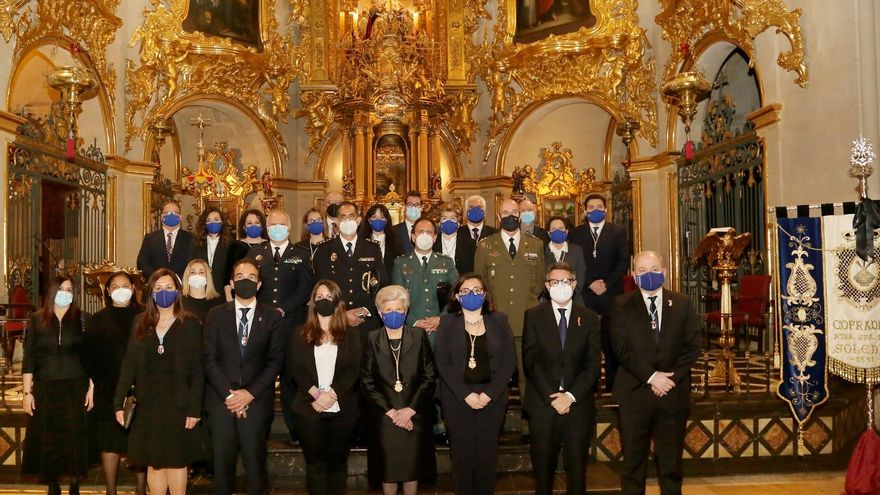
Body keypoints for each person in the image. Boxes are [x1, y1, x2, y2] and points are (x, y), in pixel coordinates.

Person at [610, 251, 701, 495]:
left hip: (672, 393)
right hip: (634, 393)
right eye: (641, 270)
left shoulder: (682, 303)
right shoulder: (621, 305)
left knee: (671, 465)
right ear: (633, 275)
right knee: (633, 464)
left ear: (664, 272)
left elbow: (693, 346)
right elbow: (620, 348)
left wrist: (669, 378)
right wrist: (651, 377)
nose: (648, 274)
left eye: (653, 268)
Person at [114, 268, 208, 495]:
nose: (163, 292)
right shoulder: (140, 322)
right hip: (148, 405)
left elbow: (197, 370)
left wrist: (194, 409)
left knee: (177, 463)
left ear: (177, 291)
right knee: (154, 464)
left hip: (179, 405)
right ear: (150, 293)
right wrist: (118, 402)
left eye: (168, 288)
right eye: (158, 288)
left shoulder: (191, 324)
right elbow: (129, 364)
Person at [203, 258, 285, 495]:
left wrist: (248, 394)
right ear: (231, 282)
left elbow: (275, 362)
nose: (245, 281)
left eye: (251, 277)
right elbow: (209, 359)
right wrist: (230, 396)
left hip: (256, 402)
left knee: (255, 465)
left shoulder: (272, 317)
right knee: (222, 466)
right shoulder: (215, 315)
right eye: (240, 277)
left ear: (259, 284)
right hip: (221, 402)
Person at [522, 262, 601, 495]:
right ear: (547, 286)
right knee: (543, 474)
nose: (560, 286)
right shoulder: (533, 316)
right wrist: (554, 397)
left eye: (565, 281)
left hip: (578, 405)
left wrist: (570, 396)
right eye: (554, 282)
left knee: (577, 474)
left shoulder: (589, 317)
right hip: (543, 405)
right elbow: (530, 361)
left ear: (574, 284)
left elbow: (592, 364)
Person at [434, 274, 516, 495]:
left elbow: (509, 360)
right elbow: (442, 362)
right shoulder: (447, 323)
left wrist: (489, 394)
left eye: (477, 290)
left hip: (492, 399)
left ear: (485, 294)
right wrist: (465, 395)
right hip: (457, 399)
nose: (472, 295)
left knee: (487, 458)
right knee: (462, 458)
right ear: (458, 297)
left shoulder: (499, 320)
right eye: (466, 291)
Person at [287, 280, 363, 495]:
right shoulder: (301, 333)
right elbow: (296, 369)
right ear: (312, 302)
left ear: (338, 302)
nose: (323, 301)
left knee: (338, 464)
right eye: (319, 297)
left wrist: (332, 395)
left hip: (342, 408)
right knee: (315, 464)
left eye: (329, 297)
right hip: (309, 407)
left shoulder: (351, 334)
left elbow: (353, 369)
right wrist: (317, 395)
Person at [360, 285, 437, 495]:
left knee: (412, 469)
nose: (394, 314)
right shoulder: (371, 338)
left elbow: (430, 376)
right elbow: (366, 381)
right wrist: (392, 412)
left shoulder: (419, 336)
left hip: (414, 415)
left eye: (399, 310)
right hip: (384, 418)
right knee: (388, 470)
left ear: (406, 311)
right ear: (380, 312)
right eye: (388, 310)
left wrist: (409, 410)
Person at [21, 276, 94, 495]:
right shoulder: (36, 319)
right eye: (61, 288)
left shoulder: (82, 318)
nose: (65, 292)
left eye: (69, 289)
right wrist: (27, 393)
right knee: (50, 438)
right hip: (46, 387)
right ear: (52, 291)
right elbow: (29, 358)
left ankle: (74, 482)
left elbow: (90, 357)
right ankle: (53, 483)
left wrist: (92, 387)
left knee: (75, 437)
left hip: (76, 385)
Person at [248, 209, 313, 444]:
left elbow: (305, 289)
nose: (277, 227)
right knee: (260, 379)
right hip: (261, 326)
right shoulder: (254, 253)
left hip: (291, 325)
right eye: (272, 224)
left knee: (290, 380)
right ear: (267, 227)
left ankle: (296, 431)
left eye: (281, 224)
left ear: (289, 227)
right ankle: (257, 431)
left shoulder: (302, 254)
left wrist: (282, 309)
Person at [84, 271, 147, 495]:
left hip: (140, 388)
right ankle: (111, 489)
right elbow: (89, 355)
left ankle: (141, 488)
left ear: (133, 288)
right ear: (108, 292)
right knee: (109, 440)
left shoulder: (145, 314)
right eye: (115, 286)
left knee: (138, 441)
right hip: (107, 388)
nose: (121, 289)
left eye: (125, 285)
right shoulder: (98, 319)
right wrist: (97, 382)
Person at [474, 197, 545, 395]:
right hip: (496, 322)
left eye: (514, 212)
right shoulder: (485, 246)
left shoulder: (536, 245)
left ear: (520, 214)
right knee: (496, 377)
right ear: (498, 217)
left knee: (528, 376)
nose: (510, 217)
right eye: (505, 213)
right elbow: (480, 283)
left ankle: (529, 420)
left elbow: (539, 282)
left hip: (526, 320)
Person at [569, 193, 630, 391]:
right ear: (585, 211)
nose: (595, 210)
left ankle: (613, 385)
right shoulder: (576, 233)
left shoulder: (617, 231)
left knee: (611, 341)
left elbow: (623, 262)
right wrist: (589, 283)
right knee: (587, 343)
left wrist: (606, 283)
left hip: (611, 293)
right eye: (591, 207)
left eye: (599, 206)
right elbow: (573, 264)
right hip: (585, 294)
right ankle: (589, 385)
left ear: (605, 209)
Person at [312, 201, 388, 332]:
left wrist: (365, 310)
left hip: (367, 321)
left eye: (351, 216)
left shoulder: (372, 248)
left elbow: (382, 284)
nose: (347, 220)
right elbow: (319, 287)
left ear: (358, 220)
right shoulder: (324, 250)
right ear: (336, 221)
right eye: (343, 216)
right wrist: (342, 315)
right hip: (335, 320)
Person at [392, 217, 459, 346]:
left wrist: (442, 319)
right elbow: (397, 298)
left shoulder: (447, 262)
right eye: (420, 231)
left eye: (429, 232)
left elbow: (456, 293)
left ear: (434, 238)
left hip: (441, 330)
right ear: (413, 237)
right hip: (412, 331)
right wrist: (414, 321)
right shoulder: (400, 263)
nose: (425, 235)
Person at [137, 200, 195, 280]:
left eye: (175, 213)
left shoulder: (191, 238)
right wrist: (157, 277)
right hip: (155, 284)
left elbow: (192, 263)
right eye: (167, 213)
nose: (171, 215)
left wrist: (176, 279)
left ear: (180, 217)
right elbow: (142, 262)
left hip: (181, 286)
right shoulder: (150, 238)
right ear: (161, 217)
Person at [544, 216, 588, 305]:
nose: (557, 231)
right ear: (549, 233)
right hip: (548, 302)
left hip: (574, 301)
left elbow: (581, 277)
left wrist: (568, 296)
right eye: (553, 229)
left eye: (561, 228)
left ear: (566, 231)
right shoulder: (542, 251)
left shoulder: (577, 250)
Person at [228, 209, 270, 300]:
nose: (253, 226)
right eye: (250, 223)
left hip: (265, 295)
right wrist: (229, 298)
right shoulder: (234, 246)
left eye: (257, 222)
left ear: (262, 226)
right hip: (239, 294)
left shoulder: (269, 245)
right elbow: (227, 274)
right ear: (244, 227)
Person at [190, 206, 232, 296]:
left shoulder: (231, 245)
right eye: (209, 220)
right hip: (200, 291)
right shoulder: (195, 244)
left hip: (222, 293)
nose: (213, 223)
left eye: (216, 220)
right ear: (204, 224)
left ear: (222, 222)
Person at [359, 203, 404, 277]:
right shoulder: (361, 240)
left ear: (387, 220)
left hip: (390, 283)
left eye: (382, 217)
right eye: (374, 217)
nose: (378, 220)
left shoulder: (396, 241)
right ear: (369, 220)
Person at [432, 202, 475, 275]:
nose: (448, 221)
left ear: (458, 222)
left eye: (452, 218)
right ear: (439, 222)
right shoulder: (433, 242)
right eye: (444, 218)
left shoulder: (469, 243)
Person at [181, 258, 224, 325]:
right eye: (193, 272)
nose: (197, 275)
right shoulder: (180, 301)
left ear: (207, 277)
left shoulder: (219, 302)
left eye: (201, 272)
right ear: (187, 276)